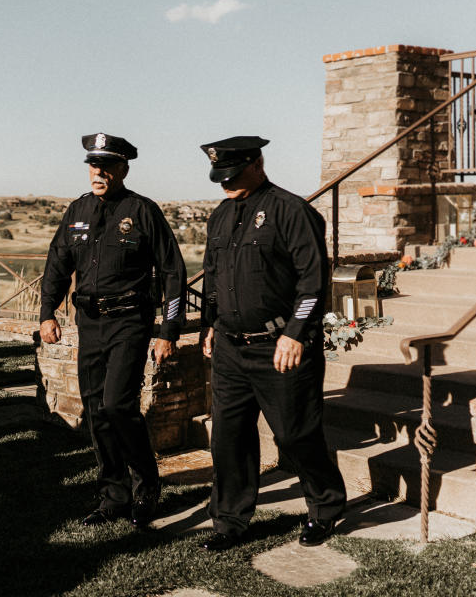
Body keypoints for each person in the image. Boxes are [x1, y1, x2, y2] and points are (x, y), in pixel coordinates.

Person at [197, 136, 346, 551]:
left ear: (257, 163)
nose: (225, 184)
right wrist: (209, 324)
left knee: (296, 435)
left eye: (233, 174)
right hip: (230, 346)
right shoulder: (221, 216)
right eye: (220, 176)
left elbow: (313, 281)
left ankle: (326, 507)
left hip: (279, 346)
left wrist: (295, 333)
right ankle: (229, 520)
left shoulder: (292, 211)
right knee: (227, 437)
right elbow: (213, 276)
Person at [40, 133, 187, 529]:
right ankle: (113, 496)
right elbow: (57, 264)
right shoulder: (77, 211)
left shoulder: (142, 211)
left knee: (118, 407)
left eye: (107, 165)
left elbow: (173, 272)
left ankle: (146, 488)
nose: (98, 172)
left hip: (129, 322)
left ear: (124, 168)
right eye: (93, 164)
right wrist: (46, 312)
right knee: (95, 411)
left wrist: (168, 329)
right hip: (89, 323)